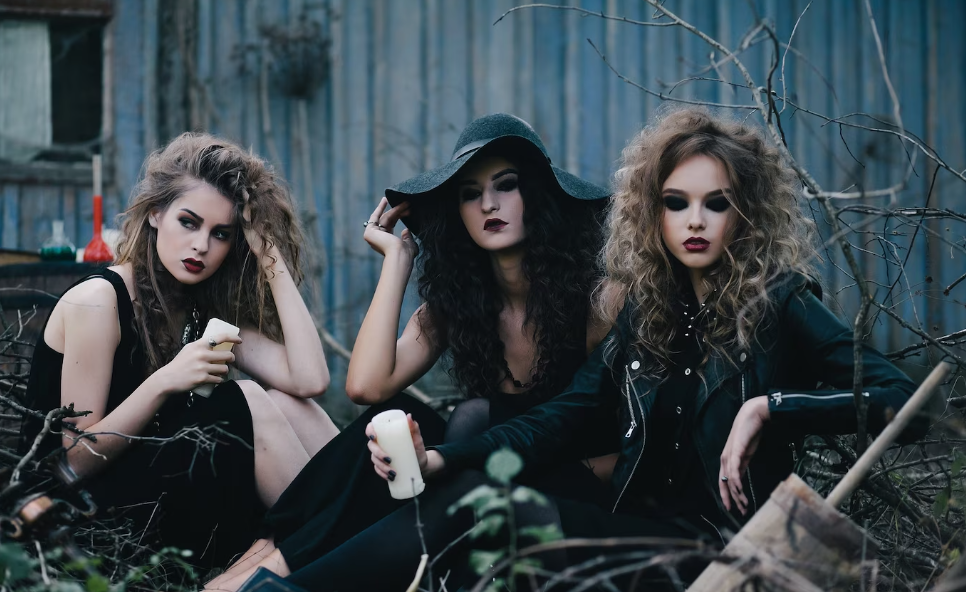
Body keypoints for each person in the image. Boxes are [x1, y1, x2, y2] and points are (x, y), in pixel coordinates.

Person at [276, 107, 927, 591]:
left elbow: (906, 402)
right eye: (676, 203)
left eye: (716, 203)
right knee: (479, 503)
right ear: (653, 214)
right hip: (635, 529)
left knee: (496, 515)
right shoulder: (649, 313)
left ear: (746, 214)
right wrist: (442, 458)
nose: (694, 221)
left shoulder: (781, 303)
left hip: (726, 549)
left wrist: (771, 408)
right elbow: (559, 419)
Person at [207, 113, 618, 591]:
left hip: (572, 490)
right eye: (470, 193)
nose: (488, 204)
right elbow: (366, 387)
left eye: (506, 186)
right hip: (482, 473)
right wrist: (397, 262)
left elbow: (634, 433)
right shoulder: (459, 306)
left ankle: (265, 576)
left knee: (470, 421)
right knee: (395, 423)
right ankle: (258, 564)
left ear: (539, 195)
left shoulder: (596, 301)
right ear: (457, 212)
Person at [18, 133, 339, 570]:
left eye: (220, 234)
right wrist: (165, 380)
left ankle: (342, 527)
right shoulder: (98, 300)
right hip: (85, 516)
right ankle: (334, 538)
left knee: (287, 403)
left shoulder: (199, 307)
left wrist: (269, 256)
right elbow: (74, 462)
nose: (202, 246)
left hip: (162, 489)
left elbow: (309, 380)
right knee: (247, 397)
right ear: (155, 213)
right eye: (189, 222)